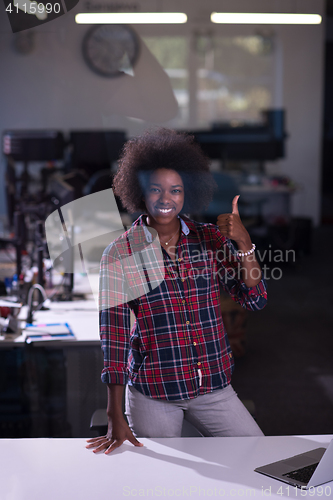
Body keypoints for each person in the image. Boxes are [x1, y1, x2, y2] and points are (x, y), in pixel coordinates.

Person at [86, 128, 267, 454]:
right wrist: (114, 410)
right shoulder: (119, 254)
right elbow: (113, 337)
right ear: (141, 191)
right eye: (156, 189)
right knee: (159, 482)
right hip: (154, 390)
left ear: (188, 194)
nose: (165, 199)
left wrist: (243, 242)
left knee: (258, 455)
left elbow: (253, 297)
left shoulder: (210, 239)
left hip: (212, 386)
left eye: (176, 190)